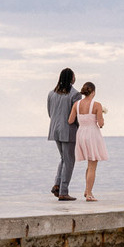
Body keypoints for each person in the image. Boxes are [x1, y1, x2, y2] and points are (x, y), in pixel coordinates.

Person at [68, 81, 108, 201]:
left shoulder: (76, 104)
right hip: (92, 134)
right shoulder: (97, 105)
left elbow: (70, 120)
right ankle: (89, 194)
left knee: (89, 165)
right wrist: (101, 117)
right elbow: (100, 123)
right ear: (93, 92)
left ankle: (87, 190)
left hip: (81, 133)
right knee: (92, 166)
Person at [47, 68, 82, 200]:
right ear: (71, 78)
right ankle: (63, 191)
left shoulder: (51, 94)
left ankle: (57, 185)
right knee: (69, 161)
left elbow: (50, 113)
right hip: (68, 130)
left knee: (63, 158)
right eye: (74, 76)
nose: (75, 78)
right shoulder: (75, 94)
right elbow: (76, 116)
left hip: (55, 130)